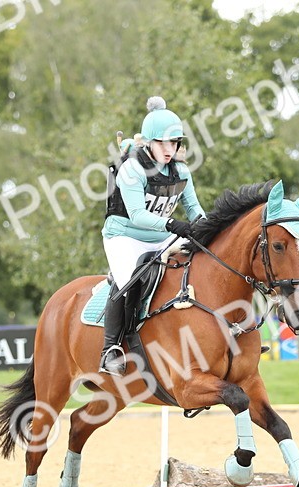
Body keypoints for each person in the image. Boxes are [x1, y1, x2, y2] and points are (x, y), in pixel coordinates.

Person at [100, 96, 206, 375]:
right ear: (148, 142)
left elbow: (194, 208)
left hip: (161, 235)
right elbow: (137, 215)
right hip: (125, 235)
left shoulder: (181, 171)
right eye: (162, 143)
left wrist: (208, 229)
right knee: (129, 281)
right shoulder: (133, 169)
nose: (169, 149)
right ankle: (110, 349)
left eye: (174, 143)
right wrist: (173, 224)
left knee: (206, 260)